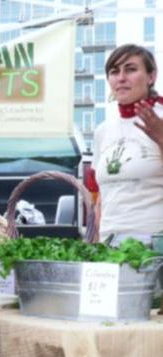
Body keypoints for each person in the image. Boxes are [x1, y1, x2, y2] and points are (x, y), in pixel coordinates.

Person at [92, 44, 163, 245]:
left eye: (131, 69)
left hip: (155, 249)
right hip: (110, 246)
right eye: (114, 72)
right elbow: (101, 198)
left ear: (151, 76)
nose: (121, 78)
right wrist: (97, 242)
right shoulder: (103, 130)